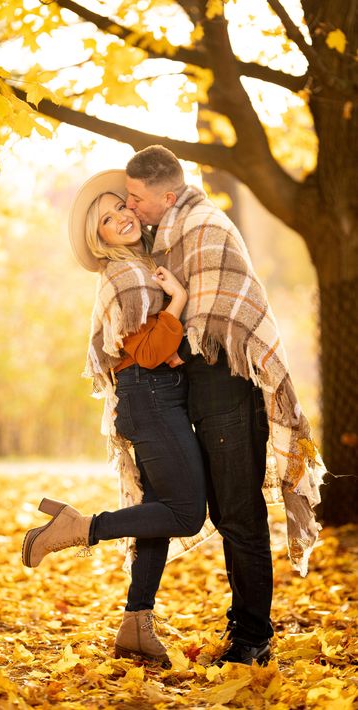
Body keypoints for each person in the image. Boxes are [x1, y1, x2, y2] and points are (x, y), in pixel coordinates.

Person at [124, 144, 326, 666]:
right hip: (204, 386)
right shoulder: (167, 236)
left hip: (228, 386)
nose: (131, 207)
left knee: (238, 513)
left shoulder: (203, 227)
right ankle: (245, 626)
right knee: (223, 508)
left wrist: (169, 343)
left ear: (167, 195)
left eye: (136, 198)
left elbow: (223, 314)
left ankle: (253, 637)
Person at [21, 170, 209, 666]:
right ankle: (77, 526)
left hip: (150, 400)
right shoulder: (125, 276)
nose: (122, 217)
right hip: (151, 399)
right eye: (106, 219)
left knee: (159, 515)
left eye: (120, 207)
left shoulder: (142, 265)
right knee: (187, 514)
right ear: (98, 238)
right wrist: (181, 302)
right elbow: (146, 354)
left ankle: (135, 625)